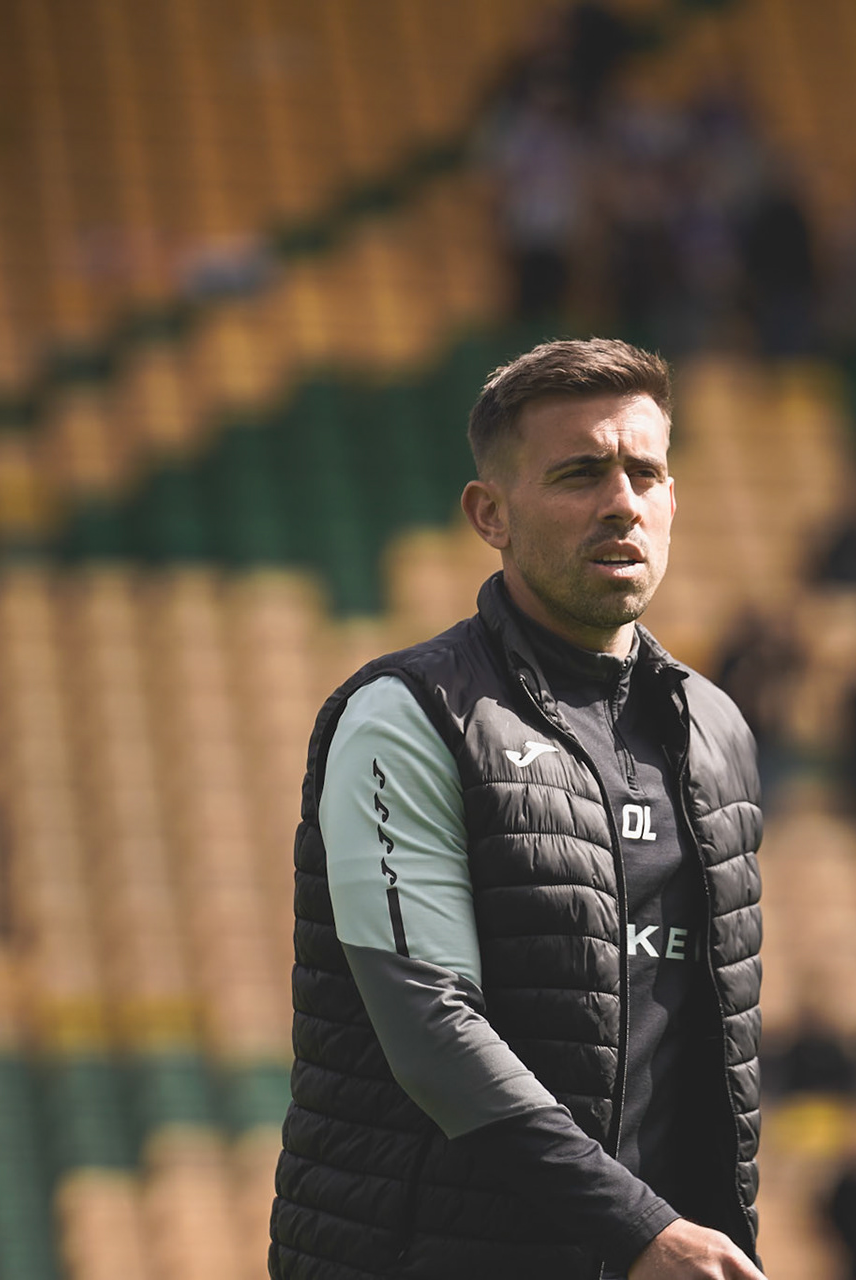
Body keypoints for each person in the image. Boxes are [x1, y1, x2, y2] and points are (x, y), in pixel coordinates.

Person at [271, 340, 766, 1280]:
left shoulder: (717, 731)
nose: (621, 502)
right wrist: (639, 1229)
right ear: (488, 514)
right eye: (579, 474)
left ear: (672, 499)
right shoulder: (409, 715)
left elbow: (715, 1065)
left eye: (644, 474)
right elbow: (432, 1031)